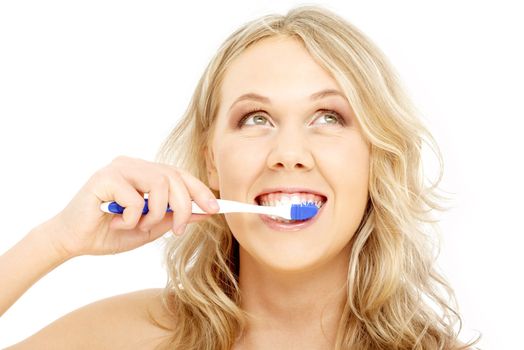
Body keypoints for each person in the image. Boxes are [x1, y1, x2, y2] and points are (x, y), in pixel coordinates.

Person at [0, 5, 480, 349]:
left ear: (375, 156)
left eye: (329, 117)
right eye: (256, 119)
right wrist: (54, 241)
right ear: (211, 161)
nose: (289, 154)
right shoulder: (126, 336)